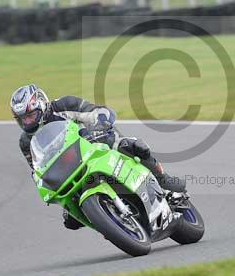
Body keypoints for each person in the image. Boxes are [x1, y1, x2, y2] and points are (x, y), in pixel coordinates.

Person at [10, 84, 186, 230]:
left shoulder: (63, 105)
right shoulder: (26, 142)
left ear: (41, 105)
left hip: (95, 143)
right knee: (70, 219)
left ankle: (163, 180)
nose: (27, 122)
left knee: (133, 146)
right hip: (67, 170)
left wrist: (99, 125)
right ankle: (109, 220)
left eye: (30, 115)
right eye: (22, 119)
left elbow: (97, 111)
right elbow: (38, 170)